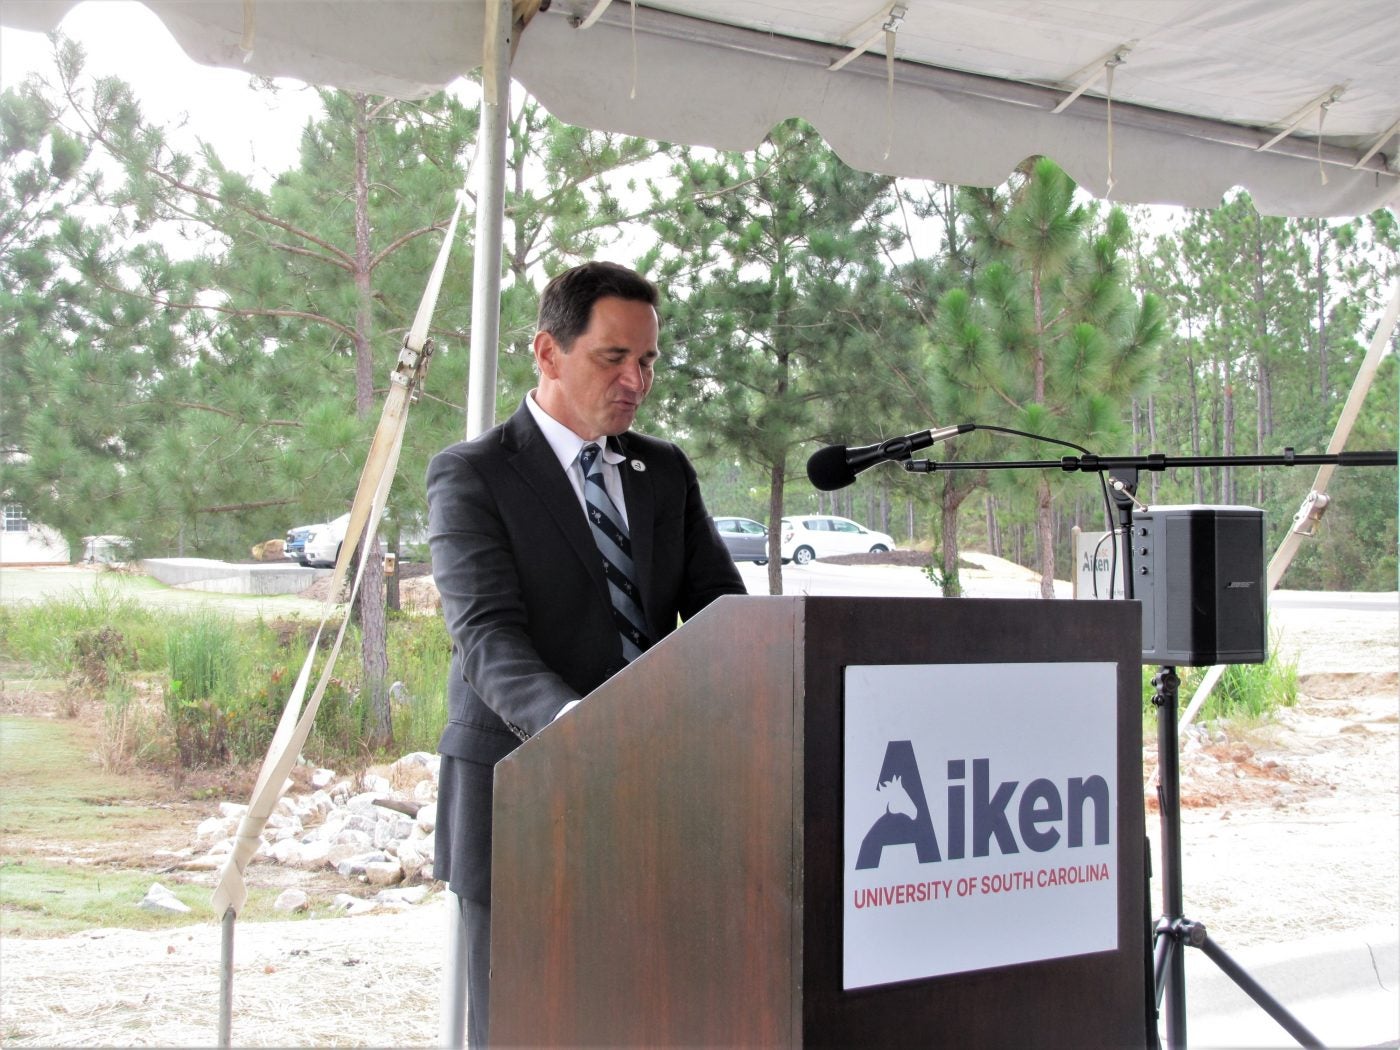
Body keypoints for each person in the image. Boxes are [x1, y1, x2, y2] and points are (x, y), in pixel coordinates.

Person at [427, 260, 747, 1047]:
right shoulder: (472, 476)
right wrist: (581, 729)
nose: (636, 380)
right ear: (547, 352)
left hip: (655, 789)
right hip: (522, 791)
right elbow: (486, 638)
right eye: (614, 358)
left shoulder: (663, 471)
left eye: (647, 362)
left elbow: (723, 615)